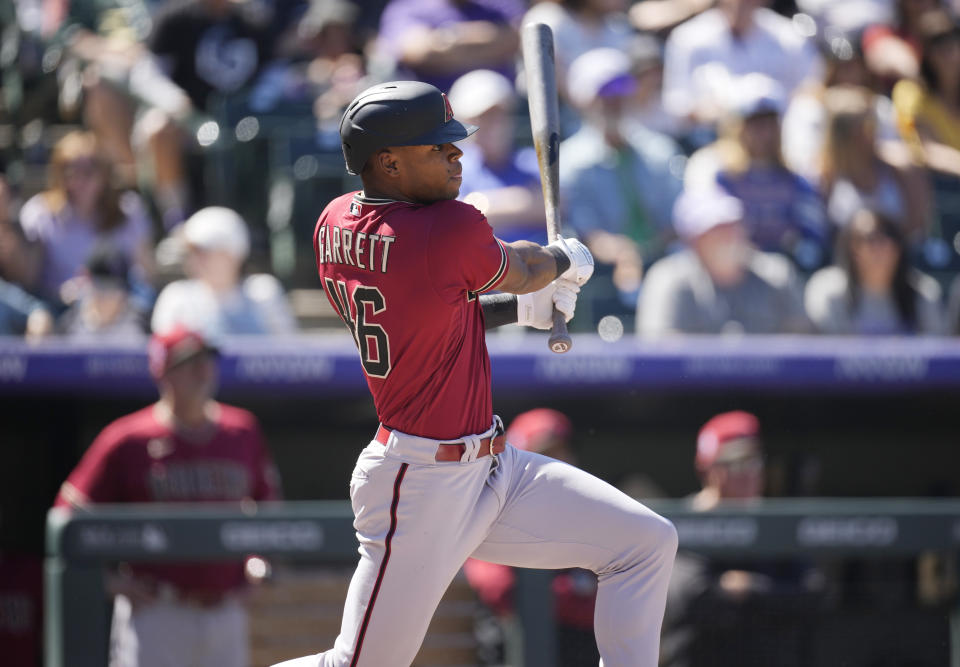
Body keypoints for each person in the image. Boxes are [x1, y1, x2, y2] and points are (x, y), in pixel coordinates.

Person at [271, 80, 678, 667]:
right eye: (438, 148)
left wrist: (521, 307)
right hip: (420, 483)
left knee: (644, 543)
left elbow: (434, 309)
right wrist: (567, 257)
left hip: (492, 467)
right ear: (387, 162)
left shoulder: (335, 221)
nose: (457, 154)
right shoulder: (446, 227)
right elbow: (526, 265)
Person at [53, 325, 282, 667]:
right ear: (163, 371)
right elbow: (67, 515)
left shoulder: (242, 429)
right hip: (157, 610)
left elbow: (271, 510)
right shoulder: (127, 438)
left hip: (225, 610)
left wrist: (258, 562)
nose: (203, 371)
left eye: (207, 360)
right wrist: (110, 580)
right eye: (189, 363)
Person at [660, 410, 822, 667]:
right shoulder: (684, 522)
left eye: (754, 463)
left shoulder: (776, 525)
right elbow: (688, 598)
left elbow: (812, 594)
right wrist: (769, 599)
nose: (748, 474)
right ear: (708, 470)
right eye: (735, 465)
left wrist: (749, 588)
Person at [463, 408, 600, 667]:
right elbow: (500, 590)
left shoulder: (583, 511)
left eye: (561, 452)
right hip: (516, 650)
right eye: (545, 454)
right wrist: (571, 595)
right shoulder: (494, 506)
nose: (558, 463)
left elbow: (609, 596)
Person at [560, 47, 684, 313]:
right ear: (586, 101)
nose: (614, 102)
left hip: (663, 259)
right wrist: (623, 254)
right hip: (597, 272)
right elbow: (583, 232)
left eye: (620, 92)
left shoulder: (660, 150)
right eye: (605, 94)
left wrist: (646, 251)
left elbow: (677, 219)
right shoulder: (570, 161)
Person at [684, 73, 829, 271]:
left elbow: (814, 241)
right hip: (733, 276)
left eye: (770, 123)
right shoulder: (720, 177)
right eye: (754, 123)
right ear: (737, 127)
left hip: (788, 281)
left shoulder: (797, 181)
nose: (764, 132)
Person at [637, 187, 811, 336]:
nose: (729, 236)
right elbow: (656, 351)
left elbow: (805, 344)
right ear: (693, 241)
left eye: (732, 224)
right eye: (715, 230)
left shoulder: (776, 274)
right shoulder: (668, 279)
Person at [18, 130, 156, 309]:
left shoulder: (129, 209)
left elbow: (146, 274)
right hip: (61, 310)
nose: (79, 181)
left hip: (120, 307)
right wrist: (60, 294)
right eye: (70, 173)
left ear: (105, 175)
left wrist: (112, 293)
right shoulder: (39, 213)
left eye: (88, 173)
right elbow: (28, 281)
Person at [662, 0, 821, 131]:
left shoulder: (788, 37)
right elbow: (677, 107)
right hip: (712, 140)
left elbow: (812, 89)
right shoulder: (688, 38)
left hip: (780, 142)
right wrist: (727, 112)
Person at [151, 206, 297, 337]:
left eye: (205, 252)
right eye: (192, 253)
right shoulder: (176, 298)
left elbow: (287, 351)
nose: (196, 260)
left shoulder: (263, 293)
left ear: (234, 254)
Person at [804, 207, 945, 335]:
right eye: (870, 239)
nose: (881, 248)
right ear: (852, 249)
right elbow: (827, 352)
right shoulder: (828, 290)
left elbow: (934, 353)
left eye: (888, 238)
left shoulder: (923, 292)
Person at [447, 68, 547, 244]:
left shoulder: (532, 161)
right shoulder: (450, 168)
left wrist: (484, 205)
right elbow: (455, 220)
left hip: (540, 265)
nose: (493, 124)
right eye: (481, 117)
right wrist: (525, 201)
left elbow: (556, 208)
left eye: (499, 115)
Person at [821, 84, 931, 241]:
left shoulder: (901, 168)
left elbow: (917, 227)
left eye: (871, 125)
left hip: (900, 258)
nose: (868, 134)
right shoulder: (825, 176)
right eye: (860, 128)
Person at [373, 0, 523, 94]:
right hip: (435, 110)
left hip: (496, 109)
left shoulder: (499, 4)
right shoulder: (407, 7)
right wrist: (486, 45)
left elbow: (514, 41)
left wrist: (449, 39)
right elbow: (418, 52)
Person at [57, 243, 148, 339]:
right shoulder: (68, 325)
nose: (106, 297)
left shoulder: (141, 325)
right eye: (100, 287)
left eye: (112, 289)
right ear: (87, 284)